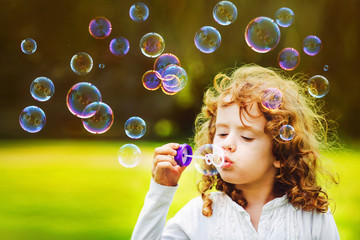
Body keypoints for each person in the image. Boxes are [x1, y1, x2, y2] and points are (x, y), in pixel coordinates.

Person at [131, 64, 340, 239]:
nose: (227, 144)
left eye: (246, 137)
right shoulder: (199, 216)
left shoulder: (312, 217)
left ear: (279, 153)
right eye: (221, 134)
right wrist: (160, 192)